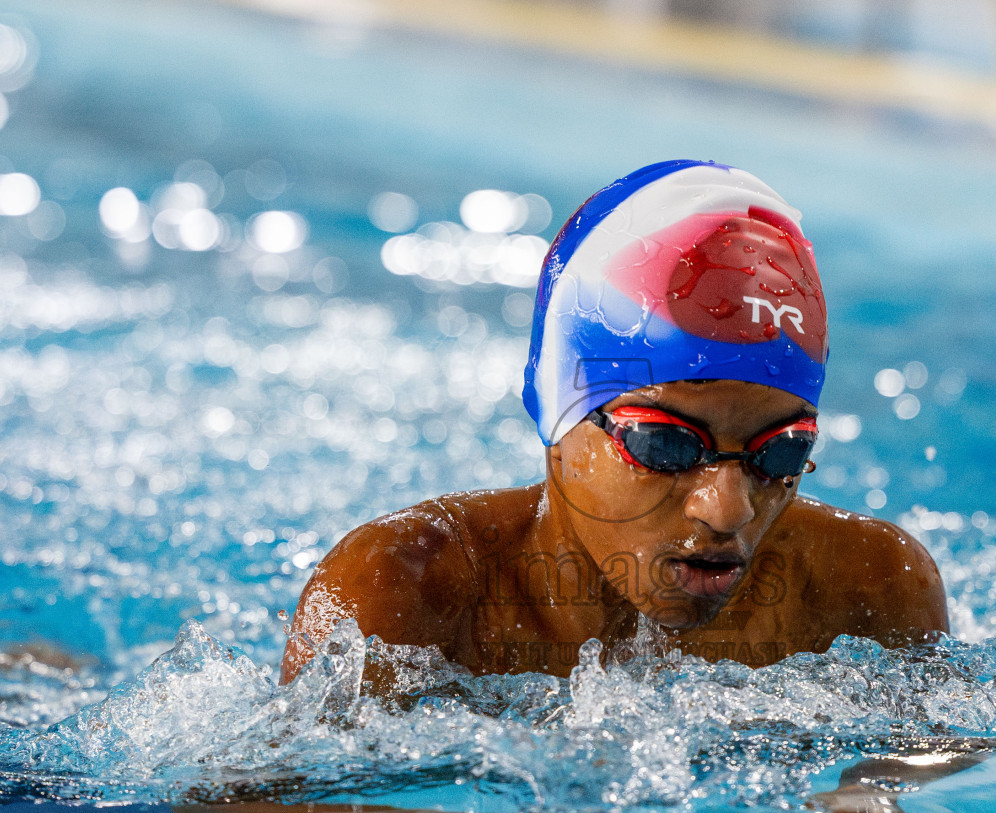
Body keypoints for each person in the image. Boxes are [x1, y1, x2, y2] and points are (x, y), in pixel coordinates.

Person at [281, 160, 947, 688]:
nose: (728, 509)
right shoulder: (399, 590)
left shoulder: (871, 590)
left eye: (780, 453)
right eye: (666, 443)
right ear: (558, 419)